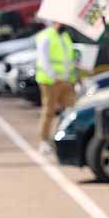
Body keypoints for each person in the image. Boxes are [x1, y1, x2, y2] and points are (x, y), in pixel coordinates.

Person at [34, 21, 75, 155]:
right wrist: (53, 75)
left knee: (70, 111)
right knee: (49, 111)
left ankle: (60, 139)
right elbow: (43, 59)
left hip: (66, 80)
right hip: (50, 81)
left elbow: (69, 58)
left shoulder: (65, 36)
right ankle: (43, 141)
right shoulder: (45, 36)